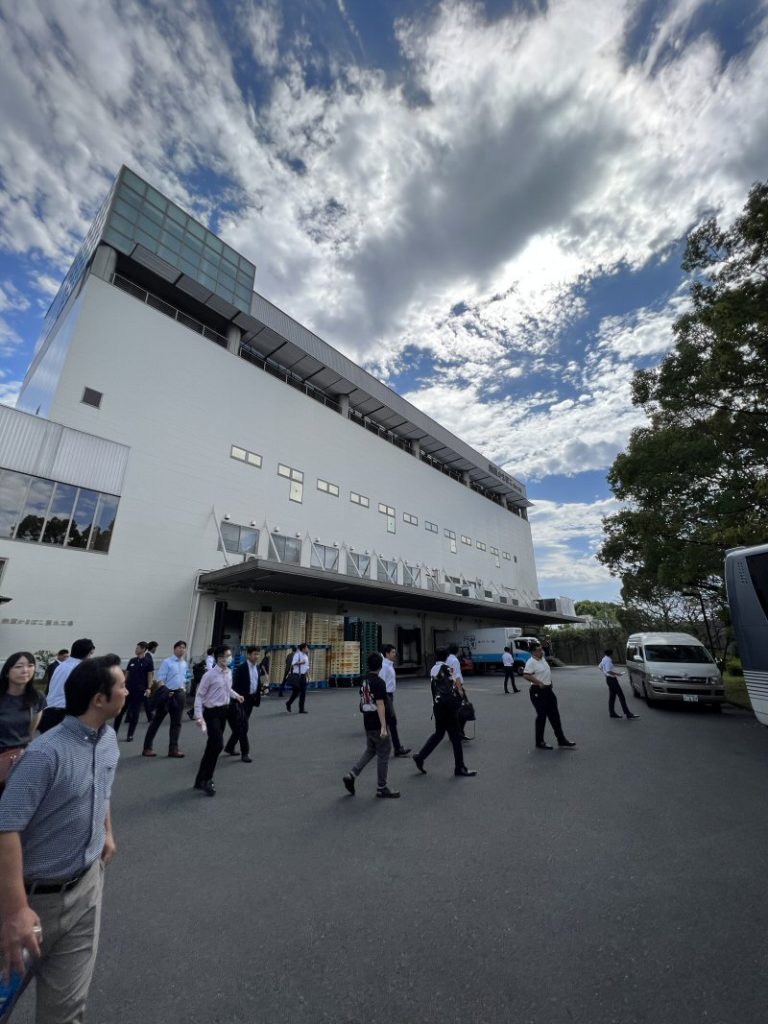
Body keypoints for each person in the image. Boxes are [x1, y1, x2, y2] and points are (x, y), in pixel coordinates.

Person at [0, 654, 126, 1024]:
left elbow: (102, 787)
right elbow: (6, 827)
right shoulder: (45, 754)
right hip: (32, 902)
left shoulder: (108, 740)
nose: (128, 689)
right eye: (120, 685)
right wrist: (16, 910)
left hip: (86, 890)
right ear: (99, 699)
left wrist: (107, 831)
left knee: (67, 1013)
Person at [343, 653, 399, 799]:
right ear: (380, 665)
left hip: (367, 720)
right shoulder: (379, 682)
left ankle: (352, 774)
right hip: (376, 721)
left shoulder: (364, 680)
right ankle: (382, 786)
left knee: (371, 749)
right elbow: (380, 704)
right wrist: (383, 726)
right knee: (384, 752)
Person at [412, 651, 477, 778]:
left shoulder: (433, 669)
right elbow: (454, 682)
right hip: (448, 708)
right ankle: (460, 767)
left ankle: (420, 756)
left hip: (438, 706)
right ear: (447, 657)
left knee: (439, 733)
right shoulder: (446, 668)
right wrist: (460, 693)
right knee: (456, 737)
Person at [193, 646, 244, 796]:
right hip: (212, 713)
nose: (229, 658)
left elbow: (228, 689)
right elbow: (199, 695)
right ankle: (208, 779)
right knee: (217, 744)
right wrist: (199, 715)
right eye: (227, 656)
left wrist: (236, 696)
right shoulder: (209, 675)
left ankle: (199, 780)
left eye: (230, 655)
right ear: (219, 658)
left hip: (224, 711)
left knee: (211, 747)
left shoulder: (228, 672)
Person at [0, 653, 46, 797]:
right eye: (19, 666)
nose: (25, 670)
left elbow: (30, 732)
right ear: (7, 672)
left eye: (30, 666)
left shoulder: (37, 698)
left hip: (21, 759)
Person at [524, 643, 577, 750]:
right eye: (539, 650)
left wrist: (549, 682)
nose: (541, 651)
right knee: (542, 716)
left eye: (541, 649)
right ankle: (539, 742)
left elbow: (546, 672)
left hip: (548, 691)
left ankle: (561, 740)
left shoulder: (542, 659)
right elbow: (526, 675)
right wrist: (539, 683)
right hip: (537, 692)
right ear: (533, 651)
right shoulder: (531, 662)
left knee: (555, 716)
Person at [38, 638, 95, 734]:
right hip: (64, 715)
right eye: (91, 654)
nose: (91, 658)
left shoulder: (61, 666)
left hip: (49, 713)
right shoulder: (80, 668)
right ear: (86, 654)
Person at [142, 641, 188, 758]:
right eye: (179, 647)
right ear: (174, 649)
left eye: (183, 648)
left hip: (179, 694)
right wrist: (166, 691)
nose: (181, 650)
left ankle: (173, 749)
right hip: (168, 694)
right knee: (157, 721)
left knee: (176, 723)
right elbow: (160, 679)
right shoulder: (167, 662)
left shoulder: (184, 664)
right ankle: (147, 748)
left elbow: (183, 679)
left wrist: (183, 689)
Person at [223, 646, 261, 762]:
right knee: (243, 727)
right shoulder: (241, 668)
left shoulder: (257, 668)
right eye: (255, 654)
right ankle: (245, 752)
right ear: (248, 655)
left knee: (240, 726)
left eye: (258, 654)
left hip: (250, 700)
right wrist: (235, 700)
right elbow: (233, 686)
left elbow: (256, 684)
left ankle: (229, 747)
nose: (257, 657)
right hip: (240, 700)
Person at [113, 642, 155, 741]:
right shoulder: (132, 660)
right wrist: (122, 685)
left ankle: (130, 734)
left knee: (135, 713)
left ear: (144, 649)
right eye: (136, 648)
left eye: (138, 648)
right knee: (120, 711)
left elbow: (150, 675)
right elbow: (127, 673)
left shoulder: (148, 661)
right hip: (128, 689)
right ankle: (114, 732)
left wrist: (149, 688)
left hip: (140, 690)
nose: (136, 650)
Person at [379, 644, 410, 757]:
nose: (394, 654)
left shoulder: (389, 665)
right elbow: (381, 682)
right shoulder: (385, 666)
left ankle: (394, 747)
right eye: (392, 652)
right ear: (387, 654)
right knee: (390, 721)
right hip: (386, 696)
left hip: (389, 695)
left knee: (390, 722)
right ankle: (396, 748)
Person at [599, 649, 639, 720]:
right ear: (611, 654)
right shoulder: (608, 660)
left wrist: (605, 673)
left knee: (612, 697)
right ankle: (628, 714)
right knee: (621, 696)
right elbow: (608, 670)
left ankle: (612, 713)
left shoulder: (604, 659)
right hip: (612, 680)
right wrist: (618, 674)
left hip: (609, 679)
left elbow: (599, 667)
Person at [446, 643, 471, 741]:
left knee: (453, 711)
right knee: (465, 710)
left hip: (448, 687)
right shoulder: (455, 660)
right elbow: (456, 676)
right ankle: (459, 732)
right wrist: (460, 689)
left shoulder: (447, 659)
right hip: (456, 687)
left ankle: (455, 733)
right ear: (457, 651)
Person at [285, 643, 310, 713]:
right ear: (303, 648)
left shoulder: (306, 656)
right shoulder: (297, 654)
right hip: (297, 676)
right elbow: (293, 663)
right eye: (307, 648)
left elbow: (307, 667)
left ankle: (301, 709)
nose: (308, 649)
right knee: (296, 692)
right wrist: (301, 662)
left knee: (303, 693)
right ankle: (289, 703)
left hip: (303, 676)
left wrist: (308, 676)